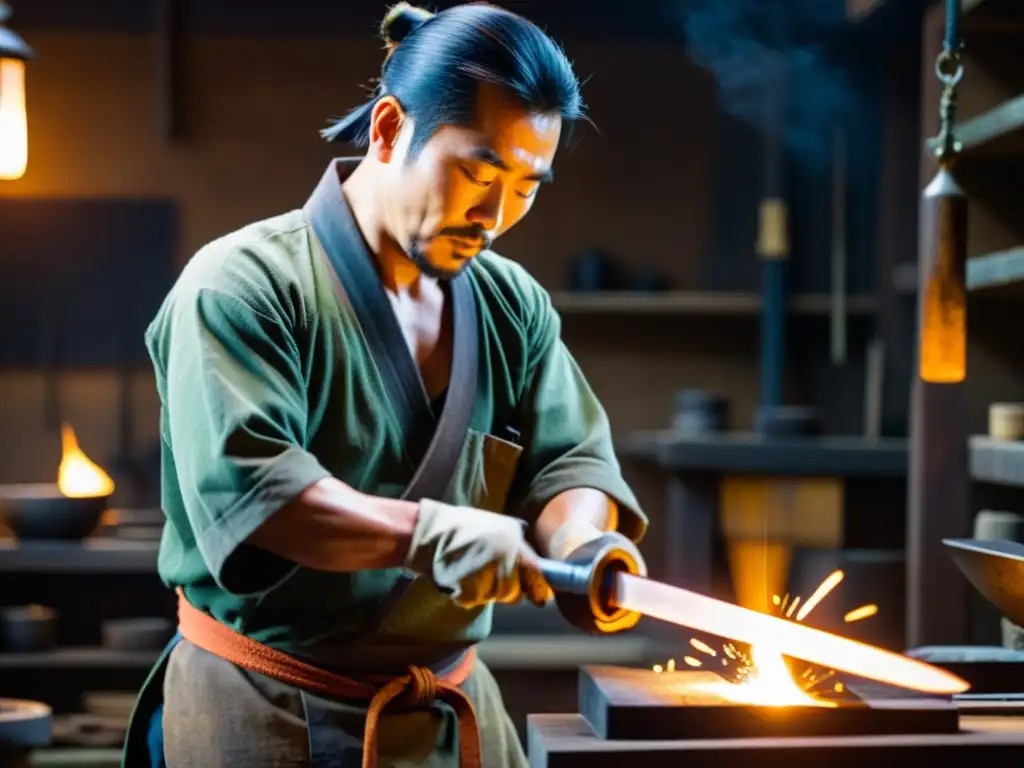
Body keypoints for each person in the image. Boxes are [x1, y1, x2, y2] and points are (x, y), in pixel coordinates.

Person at [122, 3, 648, 767]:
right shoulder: (242, 286)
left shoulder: (512, 305)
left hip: (450, 715)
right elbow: (259, 495)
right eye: (476, 171)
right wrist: (430, 536)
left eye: (526, 187)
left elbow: (571, 462)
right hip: (267, 711)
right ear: (390, 128)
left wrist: (581, 542)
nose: (495, 215)